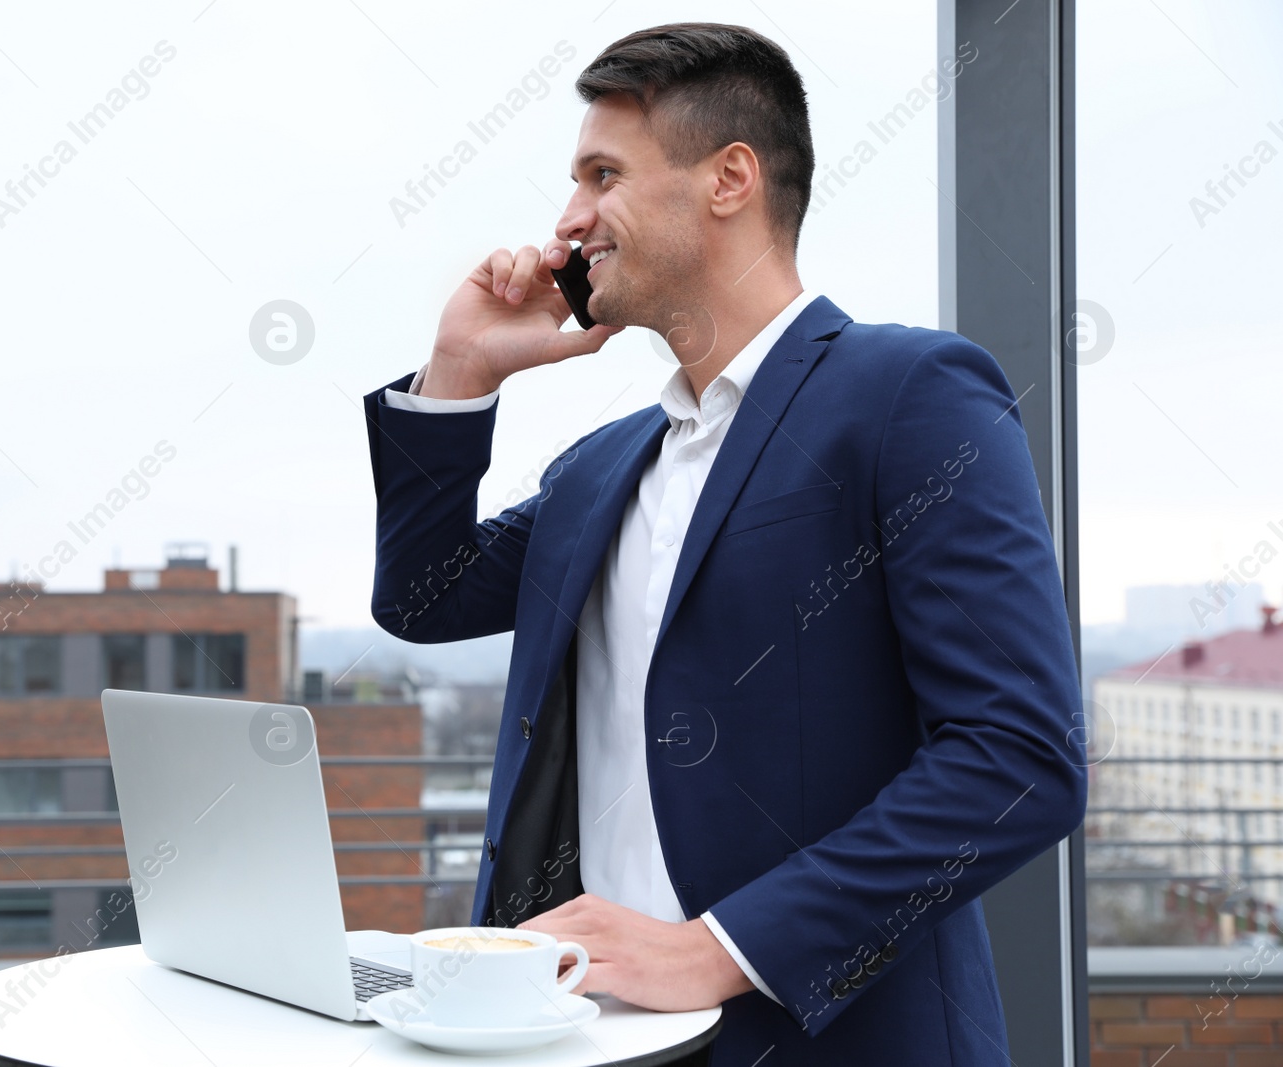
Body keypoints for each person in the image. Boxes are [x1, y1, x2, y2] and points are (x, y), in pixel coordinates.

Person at [361, 22, 1086, 1065]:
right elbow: (423, 597)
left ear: (729, 179)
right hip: (586, 1034)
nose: (567, 220)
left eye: (600, 174)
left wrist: (719, 948)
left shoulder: (906, 397)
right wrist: (458, 372)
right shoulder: (605, 466)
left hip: (824, 1038)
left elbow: (1018, 755)